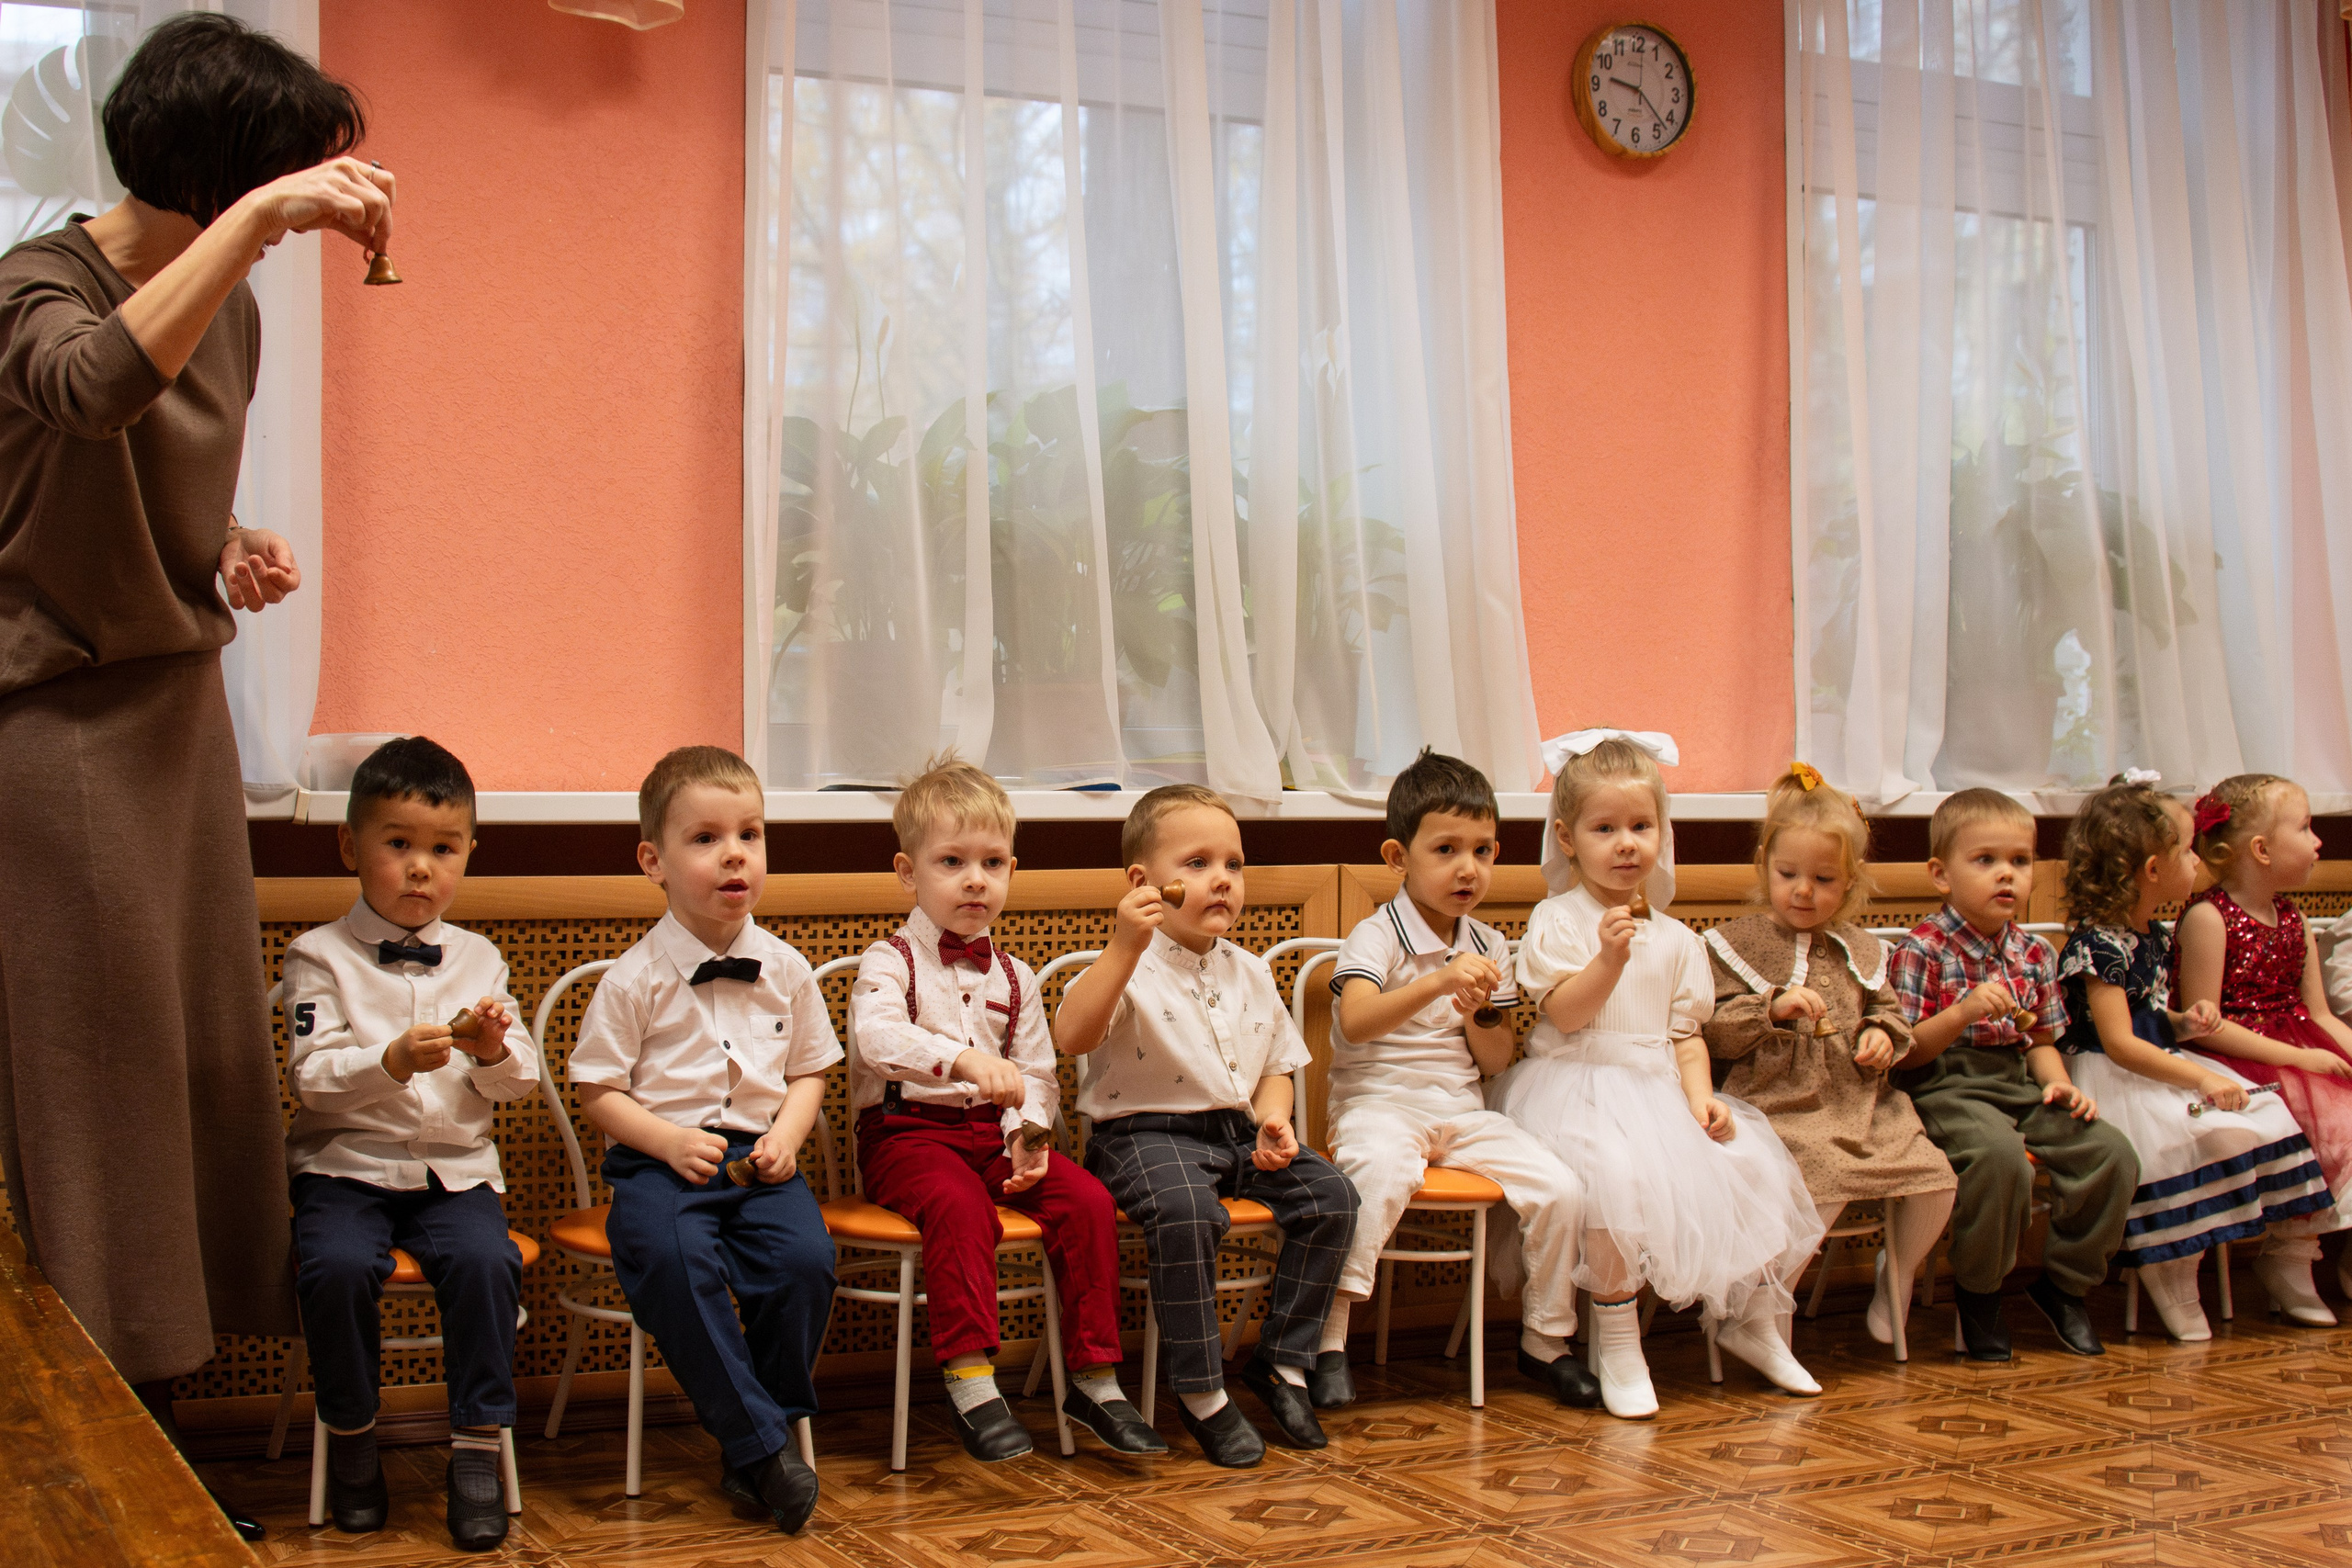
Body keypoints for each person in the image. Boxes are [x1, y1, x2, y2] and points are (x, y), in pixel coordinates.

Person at [0, 13, 393, 1538]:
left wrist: (221, 544)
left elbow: (103, 476)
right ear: (225, 177)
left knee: (181, 1075)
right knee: (93, 1086)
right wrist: (262, 222)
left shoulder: (222, 306)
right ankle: (93, 1462)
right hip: (58, 719)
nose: (301, 208)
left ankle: (143, 1440)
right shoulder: (36, 284)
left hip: (174, 706)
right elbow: (87, 391)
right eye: (281, 178)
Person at [1487, 733, 1824, 1421]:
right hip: (1572, 1085)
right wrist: (1607, 959)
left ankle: (1753, 1320)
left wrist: (1701, 1100)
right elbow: (1567, 1015)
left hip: (1653, 1086)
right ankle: (1615, 1337)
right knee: (1614, 1177)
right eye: (1604, 828)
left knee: (1751, 1167)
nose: (1626, 843)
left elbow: (1685, 1035)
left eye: (1641, 826)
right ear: (1568, 836)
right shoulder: (1558, 919)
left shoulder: (1676, 938)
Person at [849, 756, 1159, 1461]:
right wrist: (959, 1060)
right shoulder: (889, 959)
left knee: (1084, 1199)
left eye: (992, 862)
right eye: (952, 861)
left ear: (1012, 870)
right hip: (907, 1137)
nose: (974, 879)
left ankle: (1095, 1377)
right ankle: (971, 1380)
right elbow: (877, 1038)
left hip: (992, 1136)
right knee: (961, 1206)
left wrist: (1030, 1135)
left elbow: (1038, 1076)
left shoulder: (1015, 974)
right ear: (908, 871)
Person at [570, 747, 838, 1533]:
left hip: (760, 1161)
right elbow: (597, 1090)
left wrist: (788, 1135)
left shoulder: (788, 967)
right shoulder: (634, 977)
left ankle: (759, 1433)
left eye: (750, 834)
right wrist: (662, 1140)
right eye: (706, 838)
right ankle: (760, 1451)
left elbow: (810, 1072)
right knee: (674, 1263)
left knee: (804, 1261)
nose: (735, 854)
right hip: (663, 1167)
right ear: (653, 859)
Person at [1054, 784, 1360, 1468]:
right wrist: (1120, 947)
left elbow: (1276, 1065)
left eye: (1234, 864)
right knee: (1188, 1212)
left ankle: (1281, 1359)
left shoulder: (1250, 969)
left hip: (1236, 1130)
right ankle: (1202, 1391)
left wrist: (1275, 1117)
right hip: (1142, 1134)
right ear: (1143, 881)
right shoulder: (1124, 966)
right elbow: (1072, 1035)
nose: (1221, 879)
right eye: (1196, 863)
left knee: (1332, 1196)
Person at [281, 738, 535, 1550]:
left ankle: (474, 1451)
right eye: (399, 844)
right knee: (334, 1266)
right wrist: (388, 1060)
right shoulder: (316, 955)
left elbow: (519, 1081)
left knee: (488, 1264)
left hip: (454, 1173)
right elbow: (311, 1079)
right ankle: (354, 1440)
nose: (421, 867)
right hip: (344, 1170)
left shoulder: (482, 957)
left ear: (467, 854)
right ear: (352, 848)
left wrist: (492, 1050)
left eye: (442, 848)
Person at [1324, 749, 1599, 1409]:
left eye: (1482, 850)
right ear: (1398, 857)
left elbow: (1497, 1059)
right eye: (1446, 848)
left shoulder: (1489, 942)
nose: (1466, 868)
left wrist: (1476, 1007)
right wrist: (1440, 980)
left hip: (1461, 1109)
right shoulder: (1375, 935)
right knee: (1378, 1172)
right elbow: (1356, 1022)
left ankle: (1545, 1339)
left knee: (1561, 1187)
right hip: (1379, 1104)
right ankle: (1328, 1338)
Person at [2053, 777, 2335, 1341]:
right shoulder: (2097, 945)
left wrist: (2183, 1023)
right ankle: (2169, 1271)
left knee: (2265, 1123)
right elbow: (2119, 1041)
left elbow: (2149, 1020)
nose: (2197, 861)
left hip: (2158, 1060)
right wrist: (2201, 1073)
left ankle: (2199, 1261)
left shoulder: (2155, 935)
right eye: (2186, 851)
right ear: (2154, 870)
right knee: (2179, 1147)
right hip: (2115, 1076)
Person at [1700, 764, 1955, 1359]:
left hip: (1861, 1100)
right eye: (1789, 874)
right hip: (1779, 1101)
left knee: (1936, 1178)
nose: (1804, 891)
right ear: (1765, 863)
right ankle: (1762, 1310)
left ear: (1850, 882)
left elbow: (1893, 1014)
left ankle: (1898, 1281)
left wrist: (1882, 1036)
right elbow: (1710, 1029)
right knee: (1824, 1173)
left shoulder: (1862, 950)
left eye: (1823, 879)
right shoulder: (1734, 942)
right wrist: (1772, 1007)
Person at [1890, 789, 2137, 1363]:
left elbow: (2043, 1042)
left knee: (2111, 1153)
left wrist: (2060, 1083)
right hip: (1945, 1084)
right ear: (1941, 874)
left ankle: (2066, 1286)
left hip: (2018, 1082)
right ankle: (1980, 1296)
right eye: (1986, 861)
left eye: (2020, 862)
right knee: (2001, 1161)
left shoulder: (2034, 954)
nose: (2007, 875)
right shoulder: (1920, 950)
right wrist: (1962, 1012)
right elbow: (1907, 1056)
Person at [2173, 772, 2352, 1323]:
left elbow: (2319, 1013)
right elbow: (2208, 1023)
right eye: (2305, 827)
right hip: (2237, 1053)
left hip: (2300, 1041)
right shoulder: (2208, 918)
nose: (2318, 841)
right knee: (2334, 1122)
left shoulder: (2294, 917)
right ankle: (2289, 1256)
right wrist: (2300, 1060)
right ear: (2261, 849)